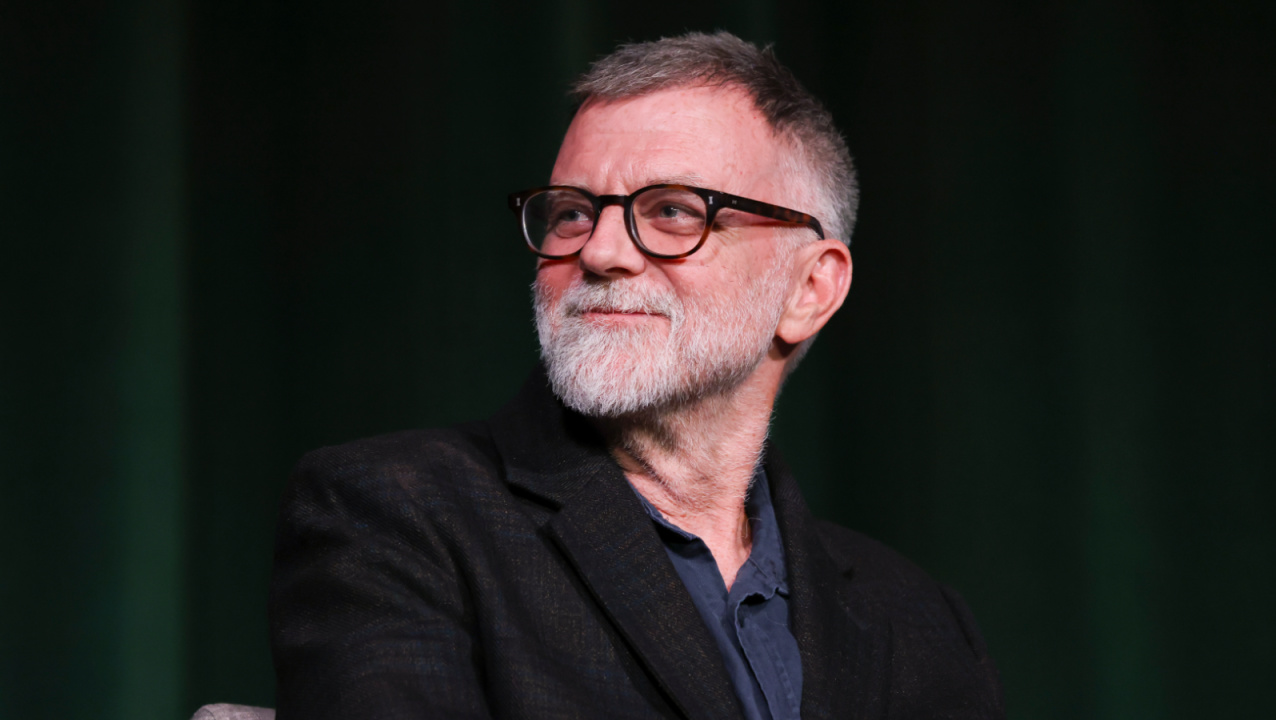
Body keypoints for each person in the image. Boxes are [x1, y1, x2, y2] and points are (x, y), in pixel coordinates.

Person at [270, 32, 1003, 720]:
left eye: (674, 211)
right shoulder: (397, 515)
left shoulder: (918, 618)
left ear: (809, 290)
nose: (600, 252)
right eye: (571, 213)